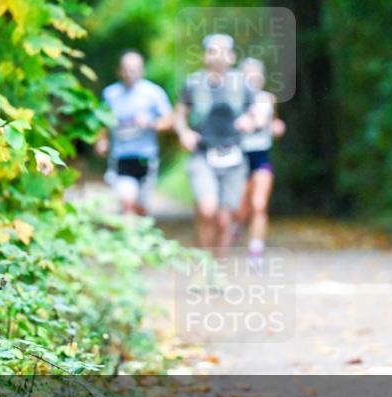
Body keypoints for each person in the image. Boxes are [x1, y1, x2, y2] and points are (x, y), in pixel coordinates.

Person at [173, 34, 258, 251]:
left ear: (232, 56)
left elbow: (258, 111)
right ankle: (203, 261)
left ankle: (218, 265)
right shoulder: (192, 83)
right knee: (207, 210)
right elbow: (179, 115)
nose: (218, 56)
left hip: (234, 156)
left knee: (224, 218)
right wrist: (184, 133)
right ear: (205, 56)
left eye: (223, 51)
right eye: (212, 51)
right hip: (202, 154)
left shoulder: (243, 85)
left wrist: (250, 120)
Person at [95, 50, 172, 216]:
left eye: (134, 69)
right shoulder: (110, 94)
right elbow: (101, 121)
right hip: (120, 157)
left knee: (141, 207)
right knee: (127, 202)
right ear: (119, 71)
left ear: (142, 70)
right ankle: (129, 228)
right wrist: (101, 140)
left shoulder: (154, 93)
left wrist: (151, 123)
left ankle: (139, 227)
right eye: (127, 69)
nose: (130, 73)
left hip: (146, 157)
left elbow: (169, 121)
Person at [235, 57, 285, 261]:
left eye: (257, 75)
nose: (253, 79)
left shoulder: (268, 99)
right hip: (238, 159)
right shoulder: (234, 100)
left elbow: (273, 123)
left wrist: (276, 127)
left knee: (259, 205)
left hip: (261, 156)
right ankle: (236, 228)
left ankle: (256, 250)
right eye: (248, 75)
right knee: (240, 210)